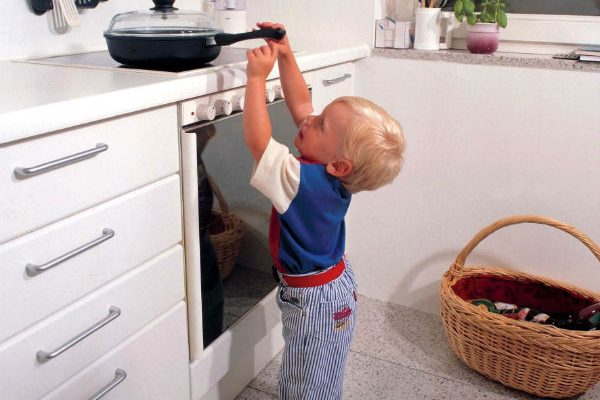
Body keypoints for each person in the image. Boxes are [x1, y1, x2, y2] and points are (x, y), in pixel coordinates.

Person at [243, 22, 406, 400]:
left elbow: (258, 143)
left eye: (320, 124)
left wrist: (256, 79)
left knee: (305, 386)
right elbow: (302, 105)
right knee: (320, 376)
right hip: (334, 286)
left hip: (315, 302)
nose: (308, 119)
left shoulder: (299, 181)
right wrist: (286, 54)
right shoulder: (332, 175)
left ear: (340, 164)